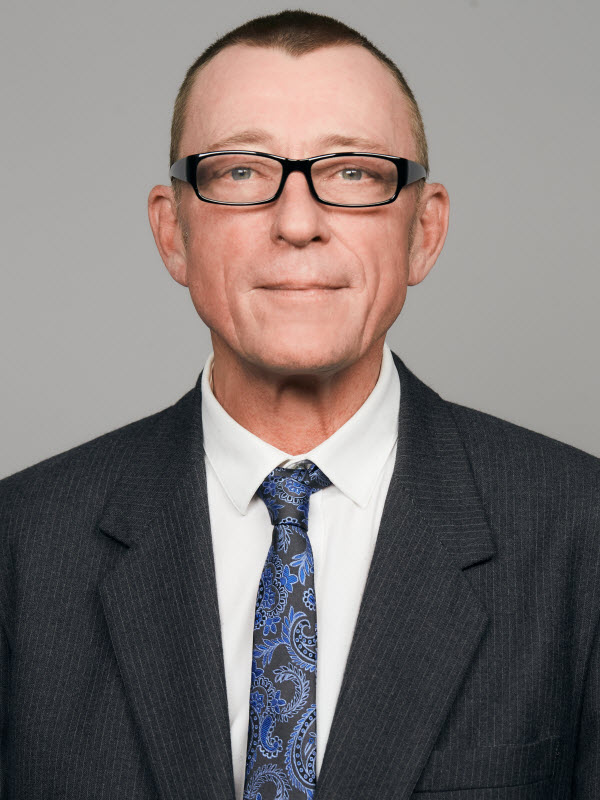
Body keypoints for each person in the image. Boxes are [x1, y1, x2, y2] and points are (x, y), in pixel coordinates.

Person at [1, 8, 599, 799]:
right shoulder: (22, 545)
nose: (297, 222)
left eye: (352, 172)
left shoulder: (579, 533)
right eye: (241, 171)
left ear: (424, 230)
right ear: (172, 232)